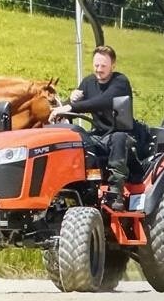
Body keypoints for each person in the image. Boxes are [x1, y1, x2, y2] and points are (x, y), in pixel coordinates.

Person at [49, 45, 134, 210]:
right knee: (78, 140)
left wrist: (72, 107)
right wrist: (69, 102)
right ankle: (79, 190)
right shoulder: (88, 82)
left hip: (122, 134)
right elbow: (70, 107)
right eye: (96, 65)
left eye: (103, 66)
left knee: (119, 139)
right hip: (98, 135)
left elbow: (102, 101)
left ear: (113, 66)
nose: (99, 70)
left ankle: (116, 192)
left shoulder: (120, 82)